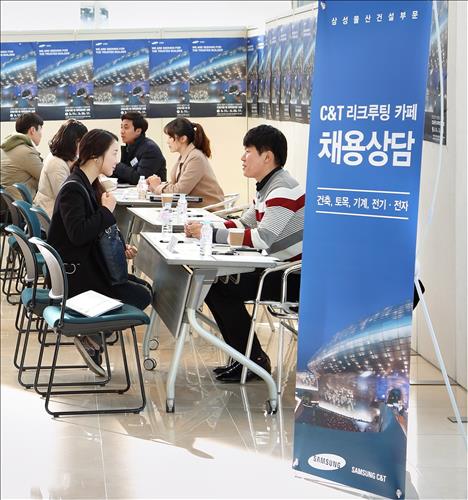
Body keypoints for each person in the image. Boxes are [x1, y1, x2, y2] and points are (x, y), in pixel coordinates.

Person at [185, 125, 305, 382]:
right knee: (216, 285)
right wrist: (207, 228)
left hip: (293, 278)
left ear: (267, 156)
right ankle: (246, 358)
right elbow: (244, 223)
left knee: (220, 287)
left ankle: (252, 360)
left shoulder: (283, 189)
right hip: (276, 269)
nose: (242, 157)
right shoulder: (268, 186)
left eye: (248, 151)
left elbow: (263, 237)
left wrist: (211, 234)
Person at [47, 129, 152, 376]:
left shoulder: (87, 184)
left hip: (83, 267)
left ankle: (92, 335)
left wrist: (118, 247)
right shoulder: (74, 188)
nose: (118, 160)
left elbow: (93, 233)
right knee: (141, 295)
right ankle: (90, 334)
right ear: (96, 155)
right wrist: (106, 211)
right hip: (75, 277)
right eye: (113, 153)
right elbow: (79, 234)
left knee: (143, 288)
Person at [146, 118, 224, 208]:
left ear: (183, 138)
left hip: (208, 211)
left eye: (170, 137)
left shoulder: (196, 157)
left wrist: (157, 187)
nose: (167, 141)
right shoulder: (185, 155)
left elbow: (180, 191)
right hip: (191, 208)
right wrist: (156, 185)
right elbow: (176, 185)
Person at [33, 119, 88, 216]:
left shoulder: (59, 156)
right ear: (74, 142)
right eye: (83, 141)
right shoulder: (57, 164)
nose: (84, 146)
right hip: (50, 214)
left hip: (50, 209)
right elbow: (65, 198)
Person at [113, 112, 166, 185]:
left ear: (138, 131)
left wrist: (116, 165)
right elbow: (124, 175)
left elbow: (140, 179)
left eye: (126, 128)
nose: (122, 131)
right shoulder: (130, 146)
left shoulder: (150, 149)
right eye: (121, 127)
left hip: (152, 191)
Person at [0, 112, 44, 199]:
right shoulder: (26, 152)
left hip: (9, 202)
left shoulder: (7, 146)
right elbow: (45, 178)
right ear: (32, 130)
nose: (41, 134)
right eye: (40, 129)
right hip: (22, 202)